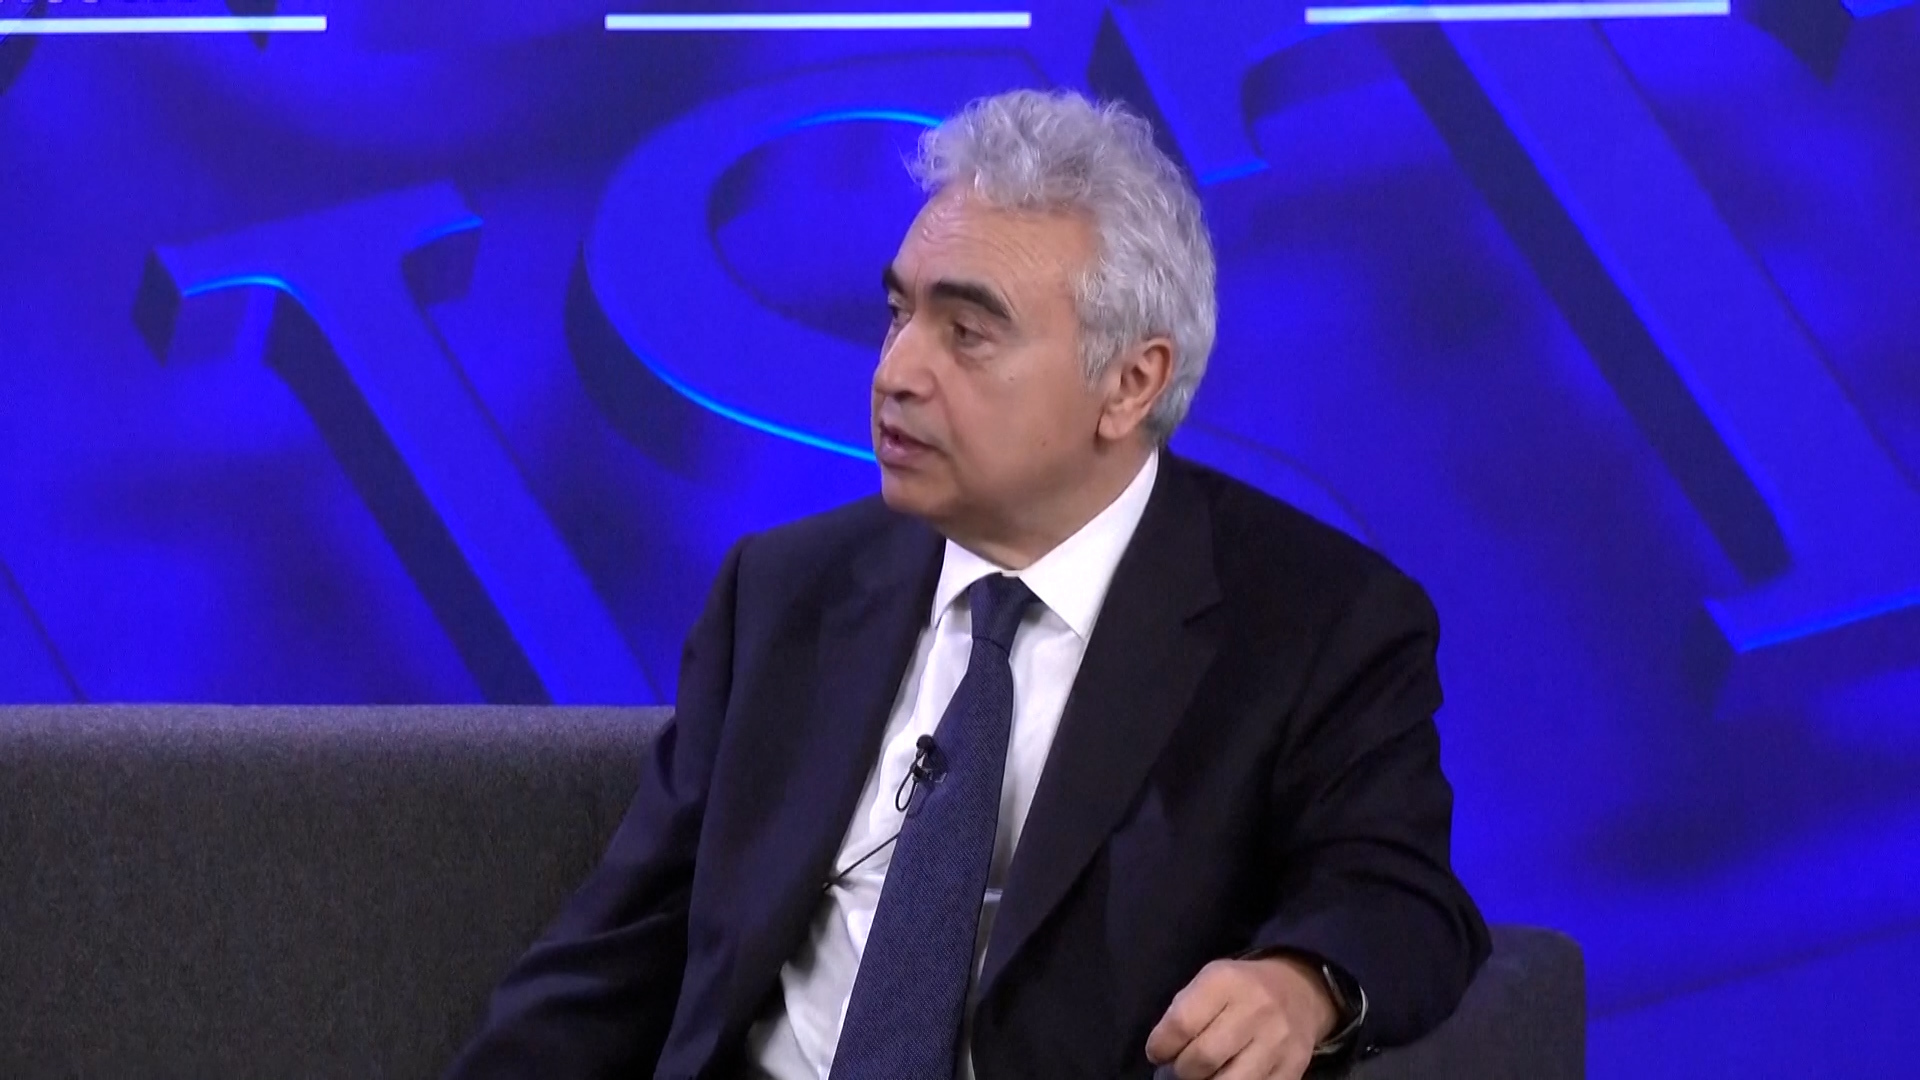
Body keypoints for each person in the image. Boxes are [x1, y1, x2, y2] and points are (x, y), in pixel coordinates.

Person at [445, 88, 1488, 1080]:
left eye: (967, 333)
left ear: (1131, 383)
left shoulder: (1314, 622)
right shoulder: (784, 594)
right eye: (897, 313)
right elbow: (614, 960)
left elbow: (1399, 894)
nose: (895, 373)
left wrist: (1303, 983)